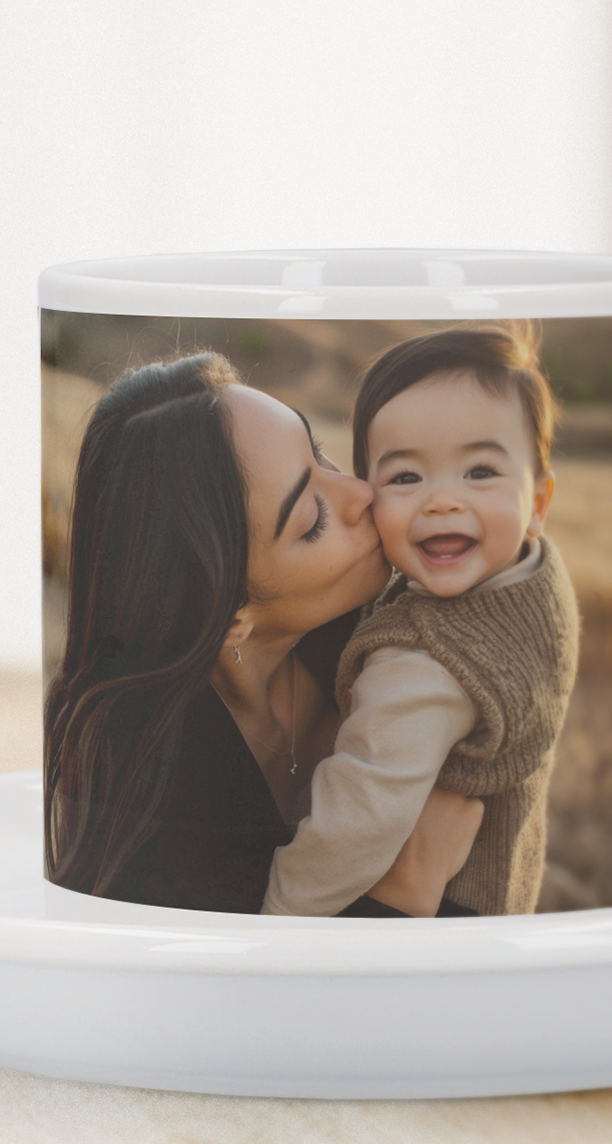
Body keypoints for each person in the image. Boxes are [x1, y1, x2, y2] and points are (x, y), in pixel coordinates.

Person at [45, 352, 483, 912]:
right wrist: (406, 892)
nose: (363, 494)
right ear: (232, 615)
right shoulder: (158, 813)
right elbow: (250, 994)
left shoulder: (394, 627)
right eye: (312, 520)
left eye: (318, 450)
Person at [261, 325, 581, 918]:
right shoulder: (534, 577)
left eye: (480, 472)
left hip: (425, 928)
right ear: (369, 496)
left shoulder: (424, 664)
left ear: (537, 503)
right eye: (406, 477)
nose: (442, 501)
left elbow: (355, 823)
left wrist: (275, 917)